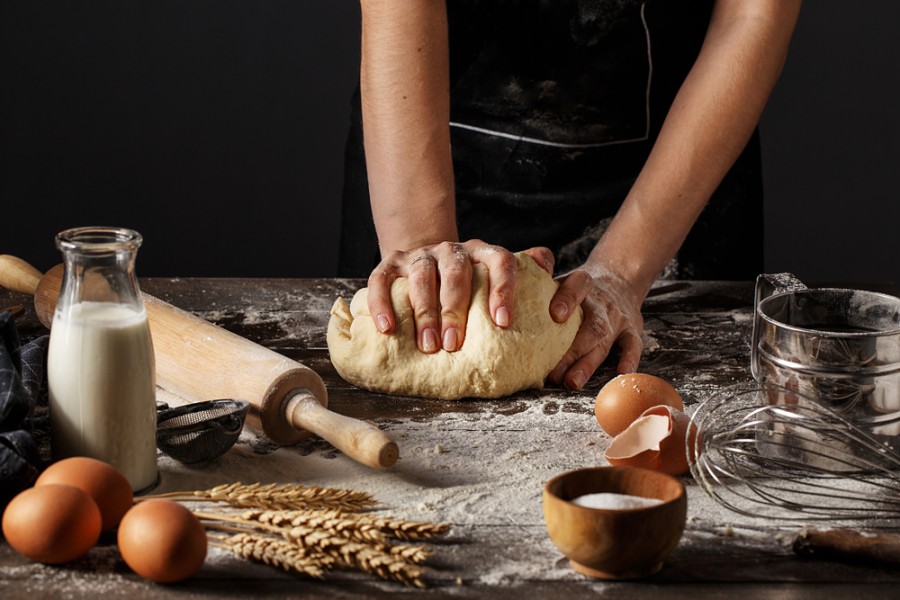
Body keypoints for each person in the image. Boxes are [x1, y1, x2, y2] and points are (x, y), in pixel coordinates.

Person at [338, 0, 802, 390]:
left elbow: (752, 14)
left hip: (677, 163)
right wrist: (424, 244)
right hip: (429, 151)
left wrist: (621, 272)